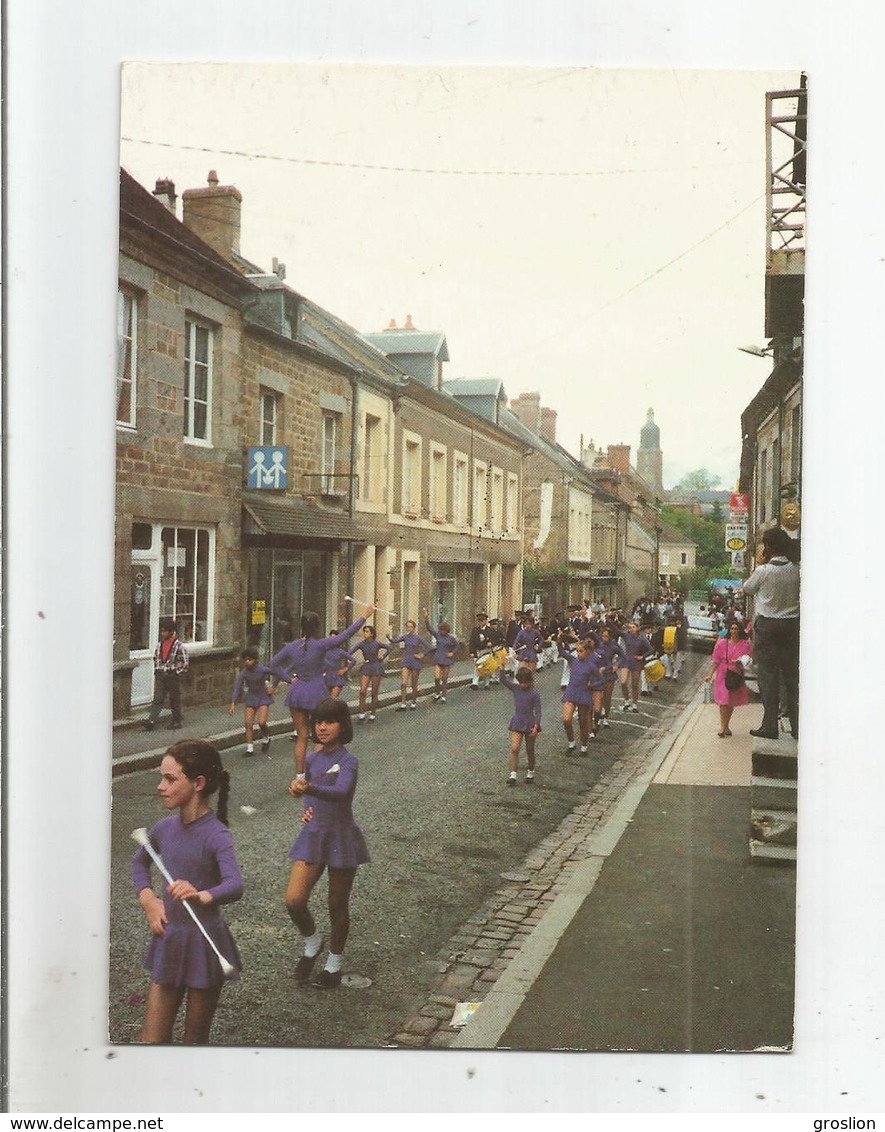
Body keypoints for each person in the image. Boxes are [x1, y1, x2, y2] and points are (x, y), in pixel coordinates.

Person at [132, 739, 243, 1044]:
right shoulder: (164, 829)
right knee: (151, 1041)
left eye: (170, 779)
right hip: (170, 939)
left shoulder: (216, 834)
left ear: (198, 783)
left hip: (204, 944)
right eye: (161, 778)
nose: (160, 786)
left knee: (194, 1041)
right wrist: (149, 900)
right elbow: (139, 863)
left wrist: (202, 894)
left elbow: (235, 884)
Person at [285, 698, 370, 989]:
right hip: (314, 835)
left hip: (341, 837)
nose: (322, 727)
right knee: (294, 900)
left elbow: (342, 792)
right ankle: (312, 942)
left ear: (342, 726)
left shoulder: (349, 762)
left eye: (329, 722)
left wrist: (310, 788)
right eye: (318, 722)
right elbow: (310, 794)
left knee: (337, 904)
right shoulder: (311, 760)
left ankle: (333, 966)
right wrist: (306, 805)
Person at [270, 604, 374, 780]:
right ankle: (317, 774)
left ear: (301, 626)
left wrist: (289, 679)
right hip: (316, 692)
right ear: (317, 627)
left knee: (301, 737)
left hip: (297, 692)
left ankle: (299, 777)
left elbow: (272, 664)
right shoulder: (320, 645)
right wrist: (364, 617)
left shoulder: (292, 646)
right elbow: (345, 635)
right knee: (319, 737)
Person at [741, 526, 801, 739]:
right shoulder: (796, 569)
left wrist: (761, 561)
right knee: (790, 675)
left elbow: (747, 588)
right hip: (792, 625)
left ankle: (769, 725)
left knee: (768, 676)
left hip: (768, 626)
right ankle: (796, 725)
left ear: (767, 547)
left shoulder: (763, 571)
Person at [228, 647, 285, 756]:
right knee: (248, 723)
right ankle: (250, 748)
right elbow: (237, 687)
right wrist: (233, 703)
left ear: (255, 660)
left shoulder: (262, 669)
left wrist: (273, 687)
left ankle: (266, 737)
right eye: (245, 660)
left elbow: (278, 674)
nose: (247, 662)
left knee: (262, 722)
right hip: (251, 697)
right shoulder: (244, 673)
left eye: (250, 659)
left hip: (263, 696)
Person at [706, 620, 753, 738]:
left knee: (730, 701)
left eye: (736, 629)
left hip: (736, 674)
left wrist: (740, 662)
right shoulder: (722, 644)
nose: (734, 631)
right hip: (723, 673)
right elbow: (715, 660)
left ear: (740, 630)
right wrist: (710, 674)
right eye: (732, 629)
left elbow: (748, 661)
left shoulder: (745, 645)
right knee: (723, 701)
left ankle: (726, 725)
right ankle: (722, 727)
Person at [143, 618, 189, 732]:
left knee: (174, 699)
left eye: (165, 631)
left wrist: (174, 671)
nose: (162, 633)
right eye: (161, 631)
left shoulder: (179, 646)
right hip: (160, 675)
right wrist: (158, 669)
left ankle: (177, 720)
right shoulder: (160, 645)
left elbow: (184, 663)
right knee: (157, 698)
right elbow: (156, 658)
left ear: (171, 632)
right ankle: (151, 721)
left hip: (172, 675)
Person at [558, 634, 600, 755]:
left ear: (587, 652)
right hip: (571, 692)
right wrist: (559, 639)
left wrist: (591, 684)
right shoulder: (573, 660)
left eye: (581, 651)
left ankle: (584, 745)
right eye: (577, 651)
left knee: (583, 722)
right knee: (566, 719)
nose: (578, 653)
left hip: (583, 694)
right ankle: (571, 742)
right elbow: (561, 651)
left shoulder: (591, 666)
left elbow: (600, 679)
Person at [500, 667, 542, 785]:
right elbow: (503, 680)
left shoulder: (534, 693)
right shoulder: (515, 688)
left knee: (530, 749)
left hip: (530, 722)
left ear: (530, 681)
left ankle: (530, 771)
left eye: (525, 682)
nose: (523, 685)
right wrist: (502, 667)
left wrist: (536, 726)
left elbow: (538, 711)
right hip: (518, 721)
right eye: (521, 682)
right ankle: (513, 774)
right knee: (514, 748)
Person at [348, 624, 389, 723]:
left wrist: (383, 656)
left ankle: (372, 714)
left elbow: (388, 647)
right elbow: (350, 651)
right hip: (366, 667)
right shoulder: (361, 644)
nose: (365, 633)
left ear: (371, 634)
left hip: (376, 667)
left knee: (374, 693)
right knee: (362, 691)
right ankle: (361, 714)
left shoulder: (377, 643)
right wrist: (348, 659)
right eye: (364, 631)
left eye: (367, 631)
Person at [387, 619, 428, 709]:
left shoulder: (418, 638)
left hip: (415, 661)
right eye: (407, 626)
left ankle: (413, 702)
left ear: (414, 628)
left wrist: (422, 655)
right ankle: (403, 703)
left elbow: (429, 647)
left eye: (411, 627)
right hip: (407, 660)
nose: (409, 628)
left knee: (413, 683)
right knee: (404, 683)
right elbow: (395, 641)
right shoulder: (405, 637)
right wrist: (389, 638)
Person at [423, 609, 460, 702]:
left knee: (444, 678)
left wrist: (452, 653)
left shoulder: (451, 638)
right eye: (441, 630)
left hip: (446, 659)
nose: (442, 632)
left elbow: (457, 645)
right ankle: (437, 693)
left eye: (444, 630)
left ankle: (444, 695)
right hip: (438, 657)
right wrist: (426, 618)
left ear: (447, 631)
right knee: (436, 677)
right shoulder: (438, 635)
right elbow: (429, 629)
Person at [619, 621, 653, 712]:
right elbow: (617, 632)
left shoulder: (642, 639)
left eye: (633, 627)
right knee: (623, 682)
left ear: (637, 628)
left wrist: (642, 657)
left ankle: (634, 704)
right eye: (630, 627)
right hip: (626, 660)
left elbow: (650, 649)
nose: (631, 629)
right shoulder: (626, 635)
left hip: (636, 662)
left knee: (635, 684)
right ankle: (626, 701)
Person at [323, 634, 355, 700]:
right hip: (327, 677)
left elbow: (353, 660)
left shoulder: (340, 651)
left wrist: (345, 669)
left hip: (337, 677)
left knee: (333, 699)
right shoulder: (324, 651)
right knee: (326, 700)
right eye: (331, 638)